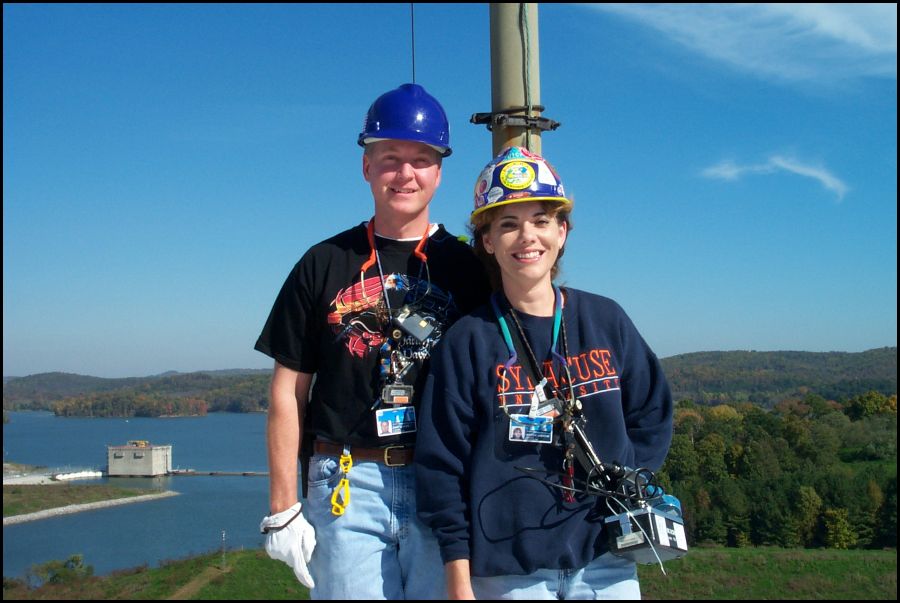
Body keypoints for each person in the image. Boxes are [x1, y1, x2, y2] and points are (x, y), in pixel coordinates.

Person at [255, 83, 491, 600]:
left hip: (444, 484)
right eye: (389, 158)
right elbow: (287, 392)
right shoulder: (323, 262)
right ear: (366, 167)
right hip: (344, 483)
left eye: (421, 159)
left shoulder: (470, 270)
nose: (405, 173)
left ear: (439, 172)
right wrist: (283, 505)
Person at [415, 146, 674, 600]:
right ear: (488, 241)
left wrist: (627, 484)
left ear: (562, 231)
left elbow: (653, 413)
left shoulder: (605, 320)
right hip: (508, 573)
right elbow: (442, 467)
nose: (526, 237)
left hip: (606, 561)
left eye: (540, 221)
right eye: (508, 225)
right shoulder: (468, 341)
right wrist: (458, 575)